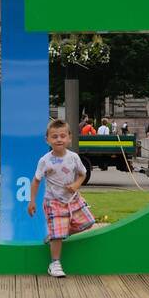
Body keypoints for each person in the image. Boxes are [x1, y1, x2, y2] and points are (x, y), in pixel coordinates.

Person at [27, 118, 95, 278]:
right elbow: (36, 181)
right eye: (55, 136)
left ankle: (56, 233)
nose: (59, 139)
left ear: (70, 138)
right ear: (47, 140)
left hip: (73, 199)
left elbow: (82, 174)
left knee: (88, 222)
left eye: (63, 136)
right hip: (53, 202)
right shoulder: (45, 161)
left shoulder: (73, 158)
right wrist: (32, 201)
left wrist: (77, 185)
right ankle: (55, 263)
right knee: (58, 234)